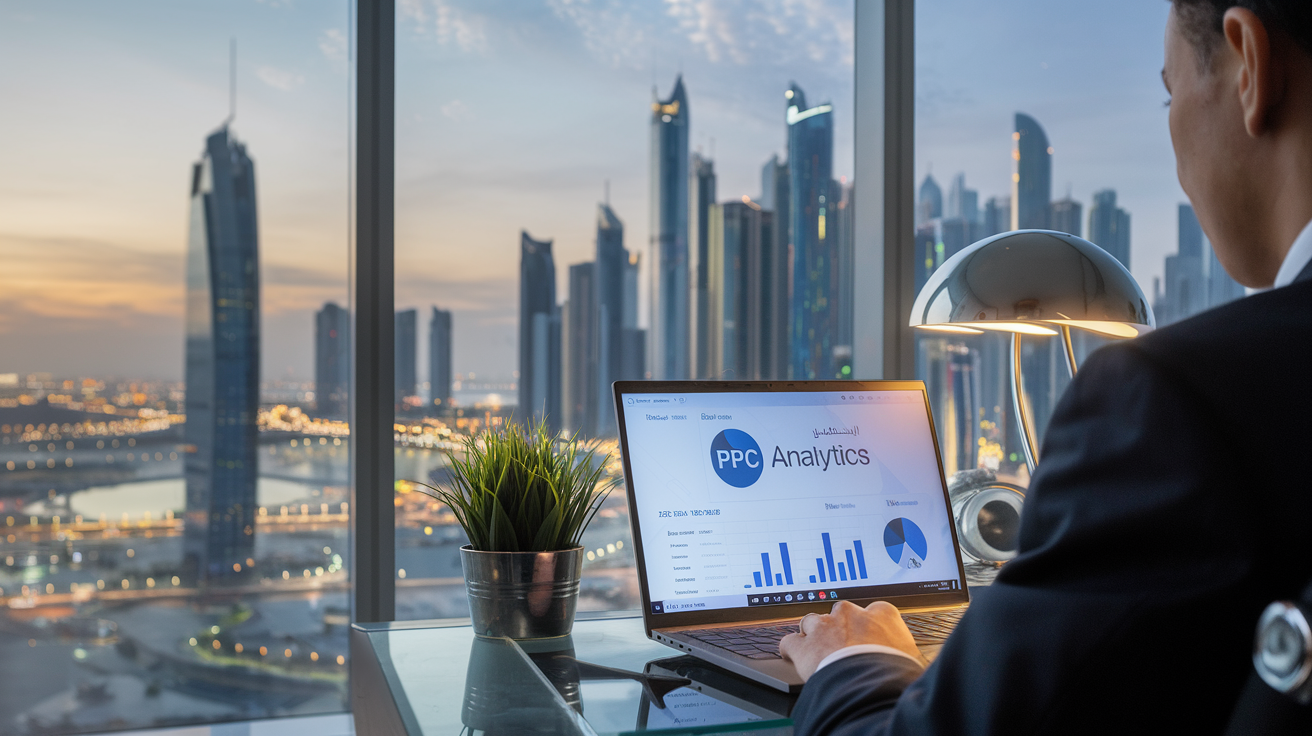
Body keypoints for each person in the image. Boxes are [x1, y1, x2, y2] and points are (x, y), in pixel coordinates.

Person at [779, 1, 1312, 733]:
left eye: (1169, 91)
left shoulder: (1178, 404)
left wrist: (855, 661)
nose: (1172, 137)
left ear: (1249, 65)